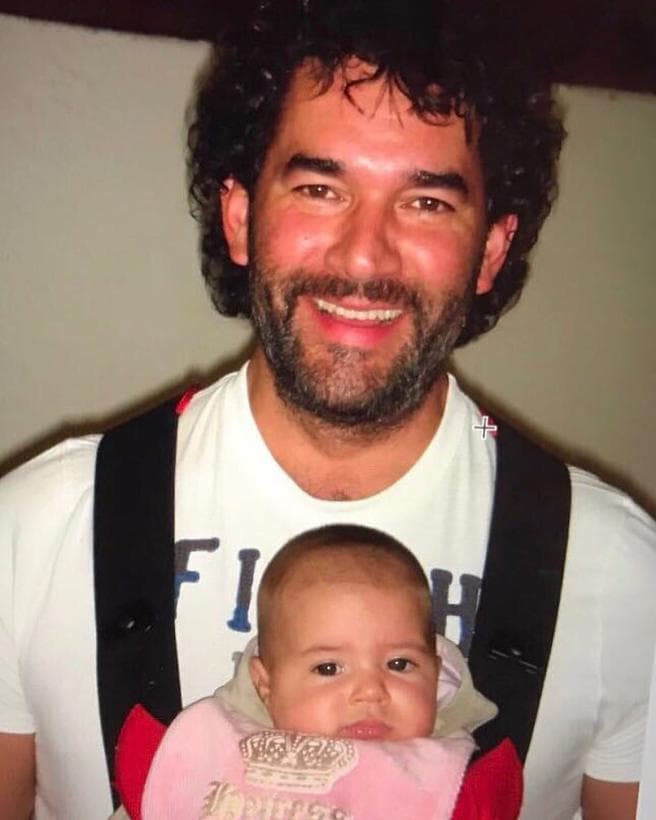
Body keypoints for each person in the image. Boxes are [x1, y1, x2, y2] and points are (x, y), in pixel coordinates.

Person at [0, 0, 655, 817]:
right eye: (319, 188)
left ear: (491, 249)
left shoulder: (621, 576)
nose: (364, 256)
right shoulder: (35, 532)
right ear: (241, 218)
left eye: (426, 202)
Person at [112, 524, 521, 819]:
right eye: (329, 668)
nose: (370, 691)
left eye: (400, 664)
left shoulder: (448, 782)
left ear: (435, 675)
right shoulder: (216, 750)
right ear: (266, 685)